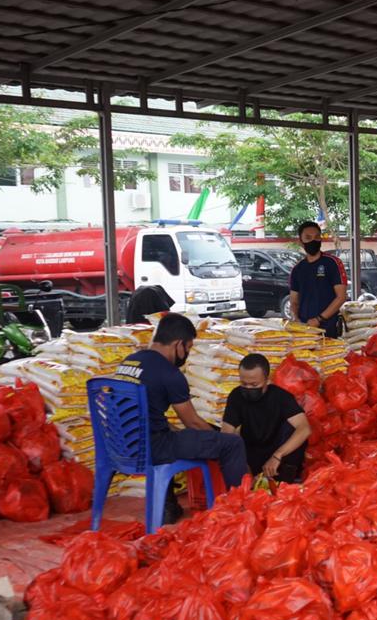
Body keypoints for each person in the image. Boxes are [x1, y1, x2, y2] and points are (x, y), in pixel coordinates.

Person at [114, 313, 247, 522]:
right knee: (232, 444)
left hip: (120, 445)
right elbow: (192, 422)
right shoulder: (169, 373)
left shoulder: (129, 361)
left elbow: (139, 413)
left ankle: (168, 507)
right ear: (178, 344)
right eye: (188, 348)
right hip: (152, 448)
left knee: (171, 432)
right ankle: (239, 510)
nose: (187, 354)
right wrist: (217, 436)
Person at [220, 353, 312, 484]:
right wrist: (243, 467)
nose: (248, 388)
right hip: (251, 454)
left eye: (254, 385)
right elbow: (227, 434)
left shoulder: (281, 397)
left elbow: (304, 429)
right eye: (244, 384)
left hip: (279, 455)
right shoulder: (236, 396)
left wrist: (277, 456)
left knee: (294, 433)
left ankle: (285, 480)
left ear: (267, 380)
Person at [289, 220, 347, 338]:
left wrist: (319, 319)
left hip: (329, 330)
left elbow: (341, 297)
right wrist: (296, 319)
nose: (313, 241)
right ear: (300, 242)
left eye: (316, 237)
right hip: (304, 331)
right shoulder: (297, 269)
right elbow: (294, 302)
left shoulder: (333, 263)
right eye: (308, 237)